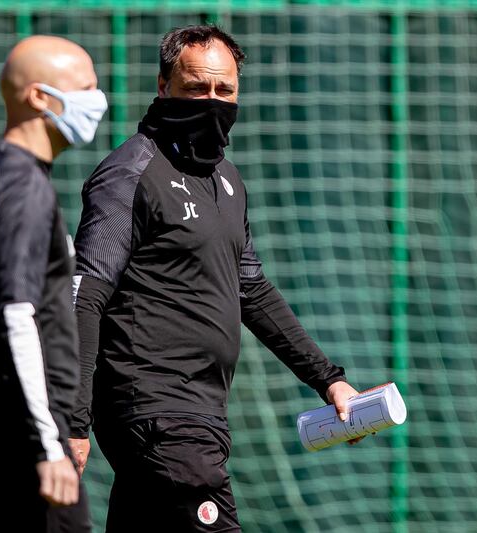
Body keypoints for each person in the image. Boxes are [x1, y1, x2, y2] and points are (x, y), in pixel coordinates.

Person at [68, 25, 363, 532]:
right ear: (163, 87)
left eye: (223, 90)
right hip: (159, 413)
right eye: (196, 88)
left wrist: (329, 379)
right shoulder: (130, 174)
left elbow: (251, 288)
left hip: (201, 412)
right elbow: (84, 294)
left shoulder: (226, 179)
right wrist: (71, 420)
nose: (211, 101)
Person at [0, 35, 107, 532]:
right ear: (39, 97)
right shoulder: (22, 189)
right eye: (85, 88)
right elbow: (16, 316)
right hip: (18, 447)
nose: (96, 102)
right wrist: (46, 446)